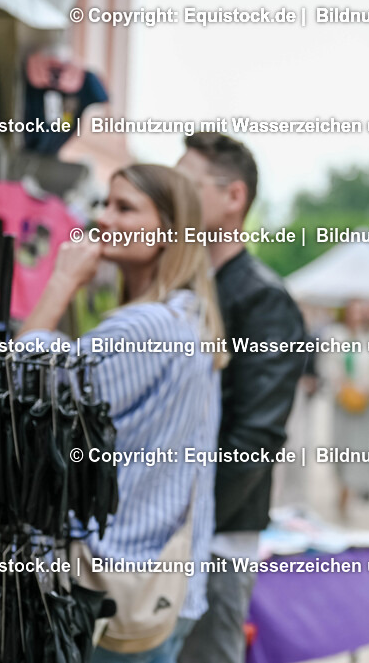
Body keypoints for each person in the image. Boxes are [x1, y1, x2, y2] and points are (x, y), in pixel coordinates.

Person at [19, 164, 227, 662]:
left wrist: (62, 280)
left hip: (114, 585)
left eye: (125, 208)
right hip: (160, 581)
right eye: (105, 204)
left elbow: (20, 381)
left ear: (169, 232)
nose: (104, 218)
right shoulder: (188, 316)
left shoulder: (145, 328)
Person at [175, 133, 306, 663]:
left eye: (188, 185)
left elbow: (256, 436)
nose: (174, 197)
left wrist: (187, 522)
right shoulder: (183, 285)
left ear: (234, 197)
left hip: (216, 536)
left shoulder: (262, 298)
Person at [319, 300, 369, 519]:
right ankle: (340, 486)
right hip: (341, 400)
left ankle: (349, 491)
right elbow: (326, 364)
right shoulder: (334, 335)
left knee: (358, 448)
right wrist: (340, 383)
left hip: (364, 402)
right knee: (339, 445)